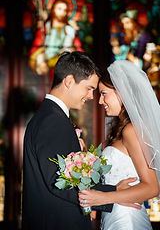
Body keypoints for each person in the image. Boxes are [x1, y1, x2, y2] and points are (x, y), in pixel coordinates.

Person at [22, 51, 139, 230]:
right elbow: (58, 181)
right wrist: (113, 192)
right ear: (69, 81)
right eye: (89, 88)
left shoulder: (54, 116)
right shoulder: (52, 120)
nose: (92, 97)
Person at [79, 60, 160, 229]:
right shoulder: (121, 128)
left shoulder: (131, 130)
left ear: (122, 93)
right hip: (115, 215)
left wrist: (103, 197)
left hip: (126, 219)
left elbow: (152, 187)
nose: (100, 101)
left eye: (104, 93)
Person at [28, 0, 83, 75]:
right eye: (59, 9)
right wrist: (40, 61)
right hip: (45, 66)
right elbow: (35, 48)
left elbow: (78, 49)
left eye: (65, 10)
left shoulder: (70, 30)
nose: (62, 12)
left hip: (65, 67)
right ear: (53, 10)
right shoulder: (45, 29)